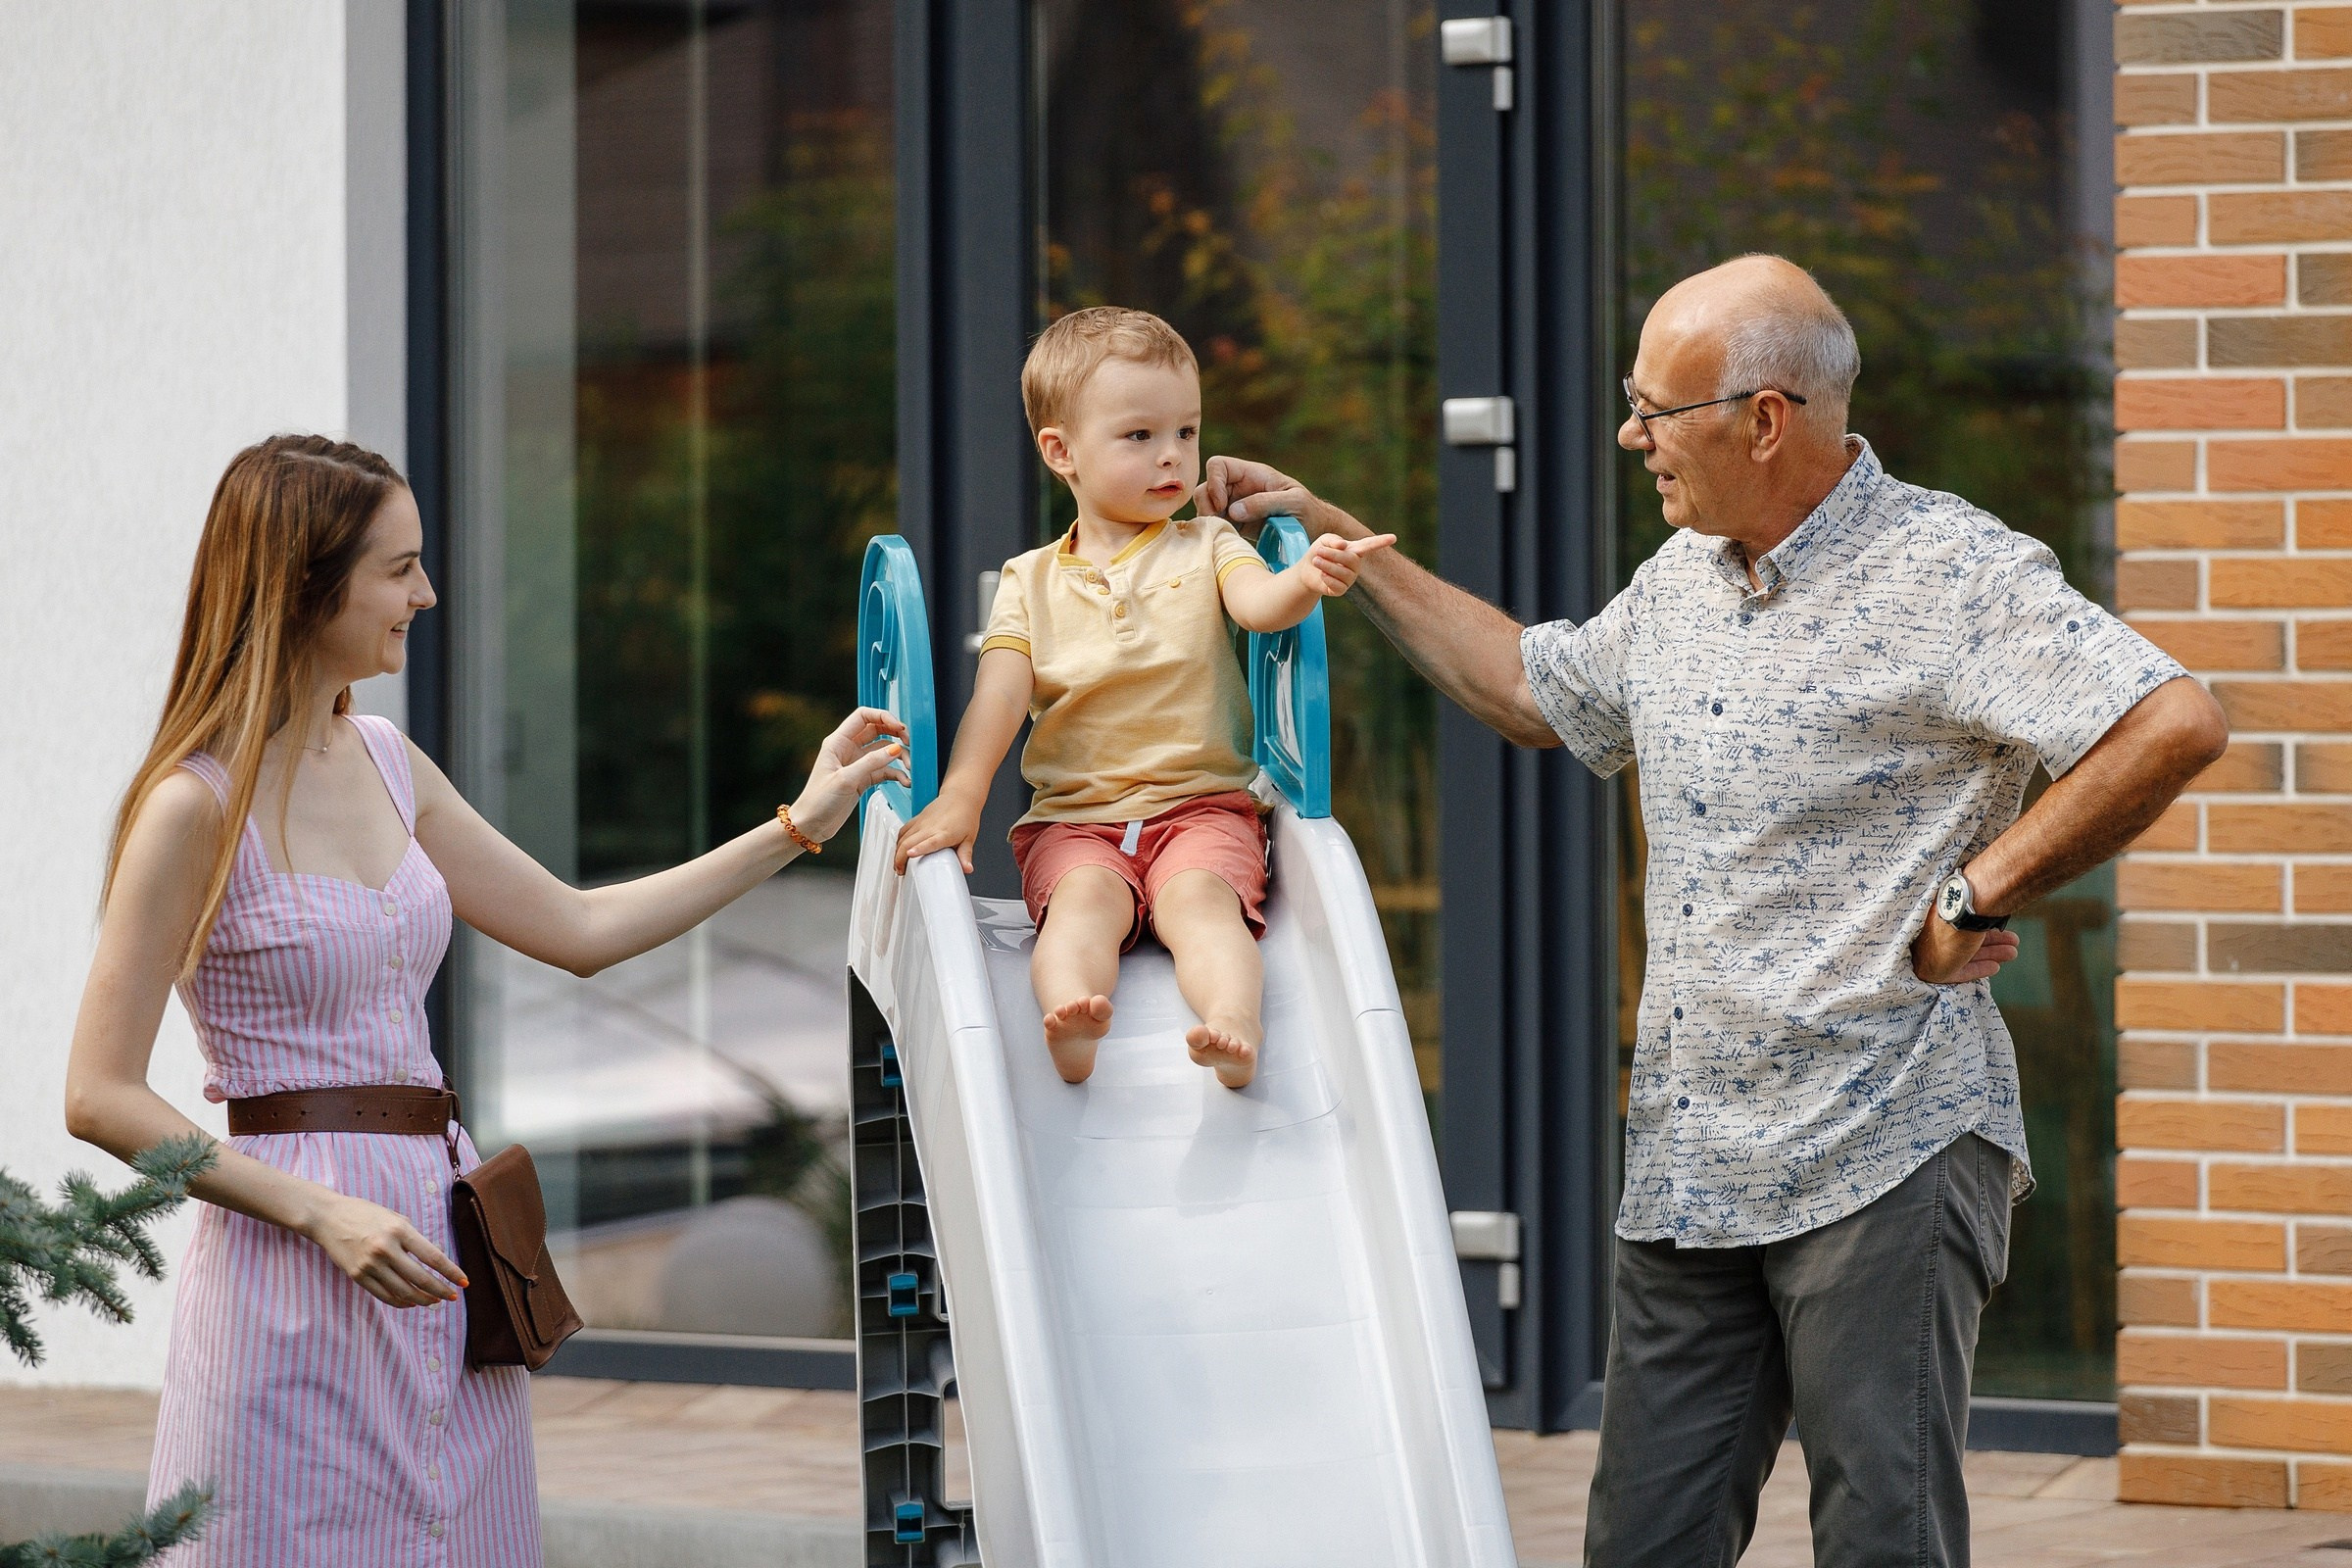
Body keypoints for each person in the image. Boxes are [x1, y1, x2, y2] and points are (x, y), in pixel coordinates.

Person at [1202, 256, 2229, 1562]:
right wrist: (1331, 537)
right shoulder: (1685, 576)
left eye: (1654, 409)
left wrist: (1978, 889)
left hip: (1887, 1138)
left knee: (1883, 1541)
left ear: (1765, 419)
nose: (1630, 437)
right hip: (1693, 1163)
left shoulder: (1953, 571)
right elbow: (1531, 688)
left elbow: (2170, 720)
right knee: (1644, 1544)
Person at [62, 434, 906, 1565]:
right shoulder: (191, 807)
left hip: (447, 1250)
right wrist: (319, 1213)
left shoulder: (388, 761)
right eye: (398, 568)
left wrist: (799, 823)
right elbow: (99, 1094)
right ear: (305, 583)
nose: (426, 593)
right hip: (288, 1271)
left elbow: (581, 928)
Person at [892, 307, 1392, 1090]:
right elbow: (998, 698)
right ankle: (1073, 1019)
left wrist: (1304, 578)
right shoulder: (1029, 581)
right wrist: (962, 796)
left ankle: (1233, 1024)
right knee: (1080, 908)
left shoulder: (1208, 544)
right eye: (1139, 436)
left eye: (1186, 432)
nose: (1173, 456)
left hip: (1201, 809)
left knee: (1202, 906)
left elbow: (1260, 607)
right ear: (1061, 452)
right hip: (1075, 821)